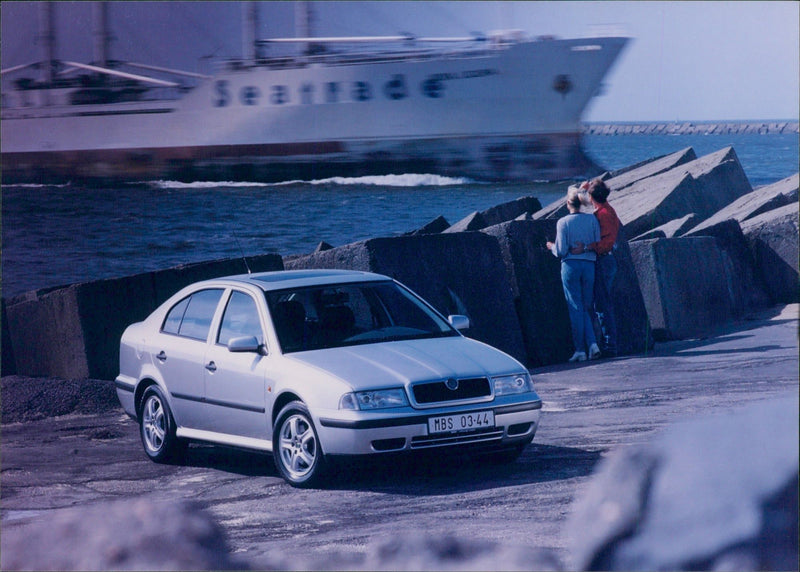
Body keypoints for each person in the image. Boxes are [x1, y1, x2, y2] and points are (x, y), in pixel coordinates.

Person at [546, 186, 601, 362]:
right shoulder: (592, 219)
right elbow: (597, 242)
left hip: (570, 266)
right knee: (586, 306)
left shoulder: (563, 222)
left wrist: (551, 247)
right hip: (589, 265)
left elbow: (561, 251)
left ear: (568, 203)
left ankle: (580, 350)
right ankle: (592, 344)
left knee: (575, 308)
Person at [573, 179, 621, 357]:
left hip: (603, 261)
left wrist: (586, 247)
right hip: (605, 261)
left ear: (592, 197)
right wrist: (586, 187)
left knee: (602, 306)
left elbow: (606, 244)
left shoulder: (603, 215)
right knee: (601, 304)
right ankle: (607, 343)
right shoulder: (606, 209)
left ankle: (610, 346)